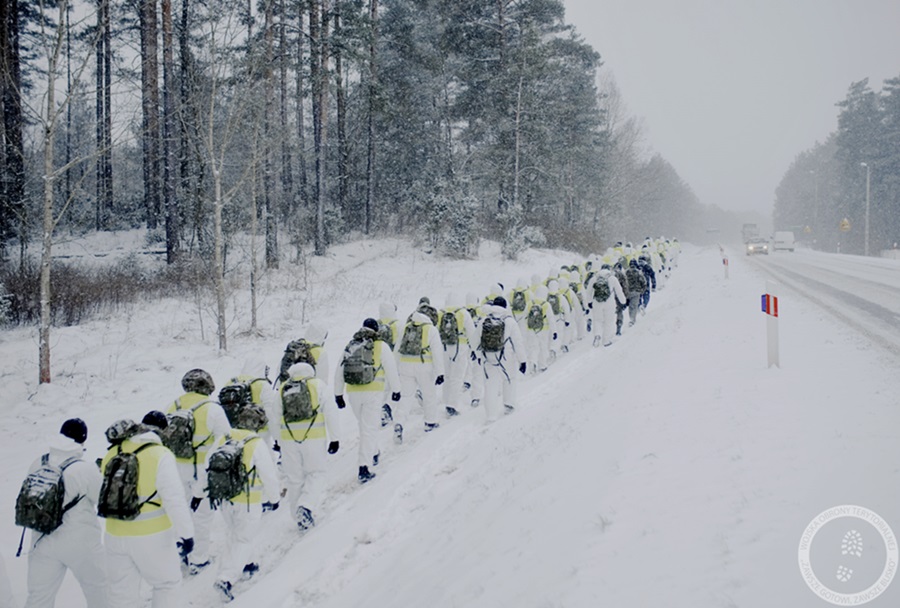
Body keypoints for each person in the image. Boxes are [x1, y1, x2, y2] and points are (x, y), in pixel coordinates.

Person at [100, 419, 194, 608]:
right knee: (166, 585)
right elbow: (174, 499)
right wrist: (187, 534)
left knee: (121, 593)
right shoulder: (160, 455)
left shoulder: (112, 452)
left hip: (113, 534)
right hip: (152, 536)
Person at [21, 418, 108, 608]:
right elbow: (102, 499)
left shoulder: (38, 463)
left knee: (39, 598)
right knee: (99, 591)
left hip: (41, 539)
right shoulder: (84, 468)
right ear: (82, 440)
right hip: (80, 541)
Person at [165, 369, 231, 574]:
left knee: (181, 512)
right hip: (201, 471)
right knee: (202, 516)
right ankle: (198, 559)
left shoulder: (173, 405)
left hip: (177, 469)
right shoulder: (212, 409)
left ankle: (182, 550)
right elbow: (225, 438)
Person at [207, 423, 280, 602]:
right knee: (243, 538)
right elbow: (268, 474)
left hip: (225, 498)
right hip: (248, 501)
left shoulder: (224, 438)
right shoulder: (256, 443)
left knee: (235, 534)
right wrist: (274, 498)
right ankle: (226, 579)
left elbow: (208, 463)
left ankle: (248, 564)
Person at [334, 319, 401, 483]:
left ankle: (374, 451)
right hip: (373, 392)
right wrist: (396, 390)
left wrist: (338, 394)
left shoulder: (351, 345)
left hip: (353, 393)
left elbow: (339, 370)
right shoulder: (380, 346)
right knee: (369, 428)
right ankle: (364, 467)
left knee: (365, 427)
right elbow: (391, 369)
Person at [276, 362, 341, 530]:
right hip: (313, 438)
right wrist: (335, 438)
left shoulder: (283, 388)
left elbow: (275, 415)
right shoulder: (317, 385)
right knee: (317, 473)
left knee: (294, 478)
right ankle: (305, 506)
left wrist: (278, 441)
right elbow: (331, 411)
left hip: (288, 440)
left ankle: (298, 518)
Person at [395, 303, 446, 439]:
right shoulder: (431, 329)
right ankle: (430, 422)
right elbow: (437, 352)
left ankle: (399, 422)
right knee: (429, 394)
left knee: (406, 396)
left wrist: (396, 367)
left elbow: (397, 349)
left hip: (405, 365)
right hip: (424, 366)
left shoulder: (406, 327)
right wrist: (440, 372)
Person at [478, 297, 526, 421]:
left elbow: (475, 341)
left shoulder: (484, 319)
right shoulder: (509, 321)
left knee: (490, 385)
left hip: (488, 357)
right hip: (505, 356)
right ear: (505, 307)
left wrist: (477, 355)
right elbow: (518, 342)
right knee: (509, 379)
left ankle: (491, 415)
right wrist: (522, 360)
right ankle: (509, 405)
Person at [438, 294, 478, 417]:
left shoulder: (440, 312)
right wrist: (474, 349)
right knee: (457, 377)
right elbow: (471, 333)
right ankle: (452, 405)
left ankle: (445, 400)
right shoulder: (463, 313)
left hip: (444, 347)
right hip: (460, 348)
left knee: (448, 376)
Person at [587, 265, 626, 348]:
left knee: (597, 320)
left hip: (597, 302)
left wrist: (589, 302)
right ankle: (606, 341)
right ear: (609, 270)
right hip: (609, 302)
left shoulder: (594, 278)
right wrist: (623, 301)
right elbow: (619, 291)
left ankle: (597, 335)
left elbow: (589, 291)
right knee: (608, 322)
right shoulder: (612, 278)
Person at [624, 259, 648, 327]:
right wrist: (642, 291)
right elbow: (644, 282)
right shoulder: (639, 272)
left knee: (630, 306)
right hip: (636, 292)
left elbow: (623, 282)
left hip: (628, 291)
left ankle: (631, 317)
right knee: (634, 306)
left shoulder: (626, 272)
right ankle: (632, 319)